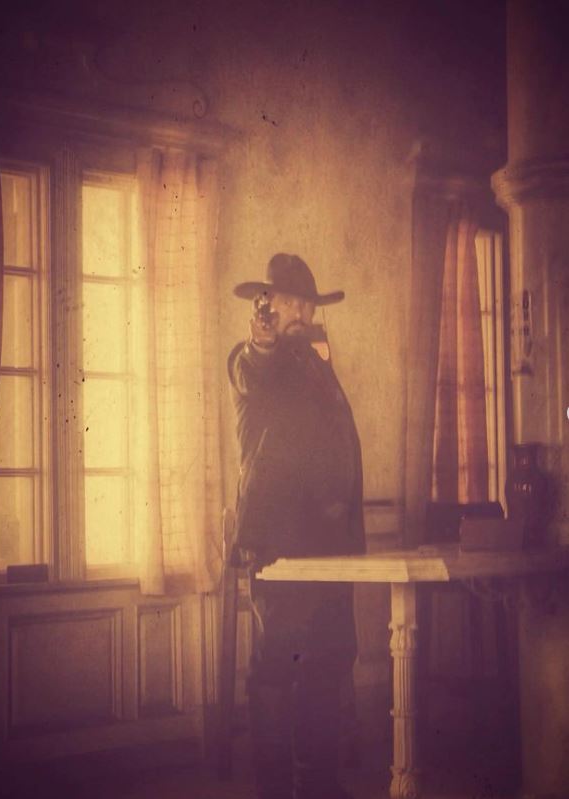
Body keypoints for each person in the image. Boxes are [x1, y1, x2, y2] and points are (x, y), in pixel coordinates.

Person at [227, 253, 366, 799]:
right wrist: (260, 341)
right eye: (289, 302)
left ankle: (320, 786)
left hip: (331, 548)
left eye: (307, 304)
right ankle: (275, 790)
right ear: (267, 305)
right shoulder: (254, 358)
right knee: (277, 671)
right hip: (281, 547)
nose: (301, 314)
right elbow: (252, 366)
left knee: (327, 665)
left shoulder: (315, 363)